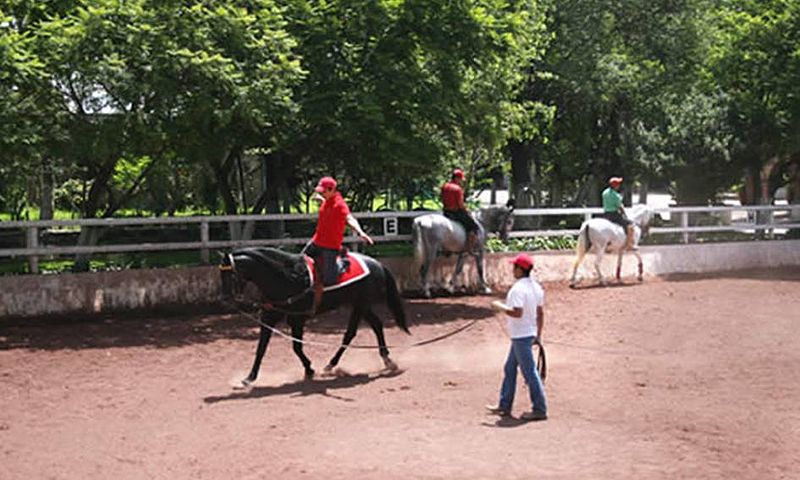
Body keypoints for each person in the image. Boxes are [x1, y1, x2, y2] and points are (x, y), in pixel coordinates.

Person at [486, 253, 548, 421]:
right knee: (510, 368)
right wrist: (539, 334)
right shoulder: (536, 287)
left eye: (515, 267)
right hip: (528, 334)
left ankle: (540, 408)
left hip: (520, 336)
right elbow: (540, 313)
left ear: (521, 270)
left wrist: (500, 306)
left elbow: (517, 312)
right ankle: (504, 405)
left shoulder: (517, 289)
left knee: (530, 373)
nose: (513, 270)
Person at [305, 176, 373, 309]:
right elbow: (327, 205)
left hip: (330, 246)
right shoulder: (327, 200)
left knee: (330, 280)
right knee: (299, 264)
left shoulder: (340, 205)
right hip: (316, 241)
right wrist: (322, 199)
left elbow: (349, 218)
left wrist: (361, 232)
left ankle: (341, 263)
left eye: (323, 191)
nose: (320, 193)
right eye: (320, 191)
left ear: (331, 190)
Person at [441, 168, 480, 251]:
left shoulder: (444, 186)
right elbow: (460, 205)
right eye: (460, 179)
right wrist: (467, 211)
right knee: (474, 226)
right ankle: (469, 247)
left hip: (446, 211)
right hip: (456, 212)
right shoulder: (457, 189)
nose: (461, 181)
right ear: (456, 178)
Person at [602, 176, 635, 250]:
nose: (619, 186)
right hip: (614, 214)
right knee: (630, 225)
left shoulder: (604, 192)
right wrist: (624, 214)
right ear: (615, 185)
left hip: (606, 214)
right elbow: (620, 207)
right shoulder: (616, 195)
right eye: (618, 184)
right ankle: (630, 244)